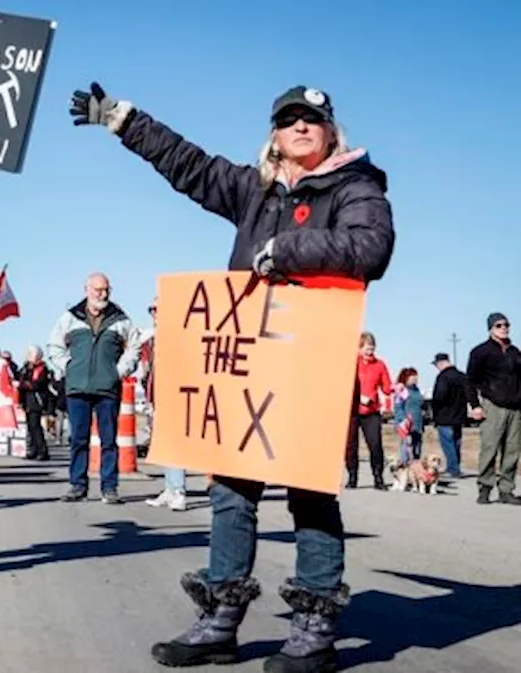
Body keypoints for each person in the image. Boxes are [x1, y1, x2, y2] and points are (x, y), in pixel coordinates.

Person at [70, 82, 394, 672]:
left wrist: (286, 251)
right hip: (248, 367)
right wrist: (123, 120)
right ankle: (220, 620)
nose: (300, 127)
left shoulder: (357, 187)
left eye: (312, 120)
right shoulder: (255, 189)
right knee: (230, 491)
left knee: (311, 494)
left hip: (311, 364)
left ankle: (314, 630)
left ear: (330, 132)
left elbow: (370, 248)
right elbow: (188, 164)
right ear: (274, 133)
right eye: (288, 119)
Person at [45, 271, 141, 504]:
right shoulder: (70, 318)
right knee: (79, 439)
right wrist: (68, 367)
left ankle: (109, 487)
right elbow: (54, 345)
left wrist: (118, 371)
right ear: (86, 290)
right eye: (98, 289)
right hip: (77, 388)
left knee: (109, 440)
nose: (103, 294)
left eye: (106, 289)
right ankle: (78, 485)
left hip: (107, 389)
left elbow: (134, 348)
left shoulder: (120, 319)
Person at [465, 312, 521, 505]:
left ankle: (506, 490)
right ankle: (485, 488)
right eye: (499, 325)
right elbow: (470, 381)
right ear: (490, 328)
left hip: (515, 408)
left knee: (512, 450)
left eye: (506, 325)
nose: (504, 328)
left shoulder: (515, 352)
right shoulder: (480, 352)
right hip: (492, 406)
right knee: (490, 448)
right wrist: (475, 405)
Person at [140, 298, 188, 512]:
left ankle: (178, 490)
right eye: (153, 310)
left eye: (159, 310)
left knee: (175, 444)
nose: (155, 314)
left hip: (175, 396)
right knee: (164, 444)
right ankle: (170, 488)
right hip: (157, 396)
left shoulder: (179, 336)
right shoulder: (151, 341)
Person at [349, 332, 392, 490]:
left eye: (372, 348)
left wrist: (393, 388)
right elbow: (344, 383)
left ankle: (378, 477)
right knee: (351, 446)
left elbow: (387, 387)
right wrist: (359, 397)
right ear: (359, 348)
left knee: (375, 444)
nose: (370, 351)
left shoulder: (380, 365)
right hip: (352, 410)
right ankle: (352, 477)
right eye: (367, 348)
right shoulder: (352, 363)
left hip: (372, 412)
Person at [429, 352, 471, 479]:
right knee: (456, 442)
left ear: (440, 363)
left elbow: (439, 396)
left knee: (448, 443)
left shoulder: (443, 377)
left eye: (436, 365)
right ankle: (456, 466)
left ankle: (453, 469)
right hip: (459, 415)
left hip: (444, 415)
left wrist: (434, 409)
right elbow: (469, 393)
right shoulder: (462, 376)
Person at [16, 345, 54, 460]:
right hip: (27, 399)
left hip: (37, 400)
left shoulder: (42, 368)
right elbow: (21, 379)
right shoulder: (26, 368)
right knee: (30, 427)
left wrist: (25, 385)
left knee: (35, 426)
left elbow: (39, 384)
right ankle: (32, 449)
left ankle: (42, 451)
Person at [391, 367, 424, 467]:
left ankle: (416, 469)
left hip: (417, 424)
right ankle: (405, 468)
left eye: (416, 376)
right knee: (407, 447)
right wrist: (403, 420)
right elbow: (398, 407)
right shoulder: (402, 390)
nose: (415, 378)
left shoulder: (416, 390)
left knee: (417, 448)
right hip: (405, 424)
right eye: (412, 376)